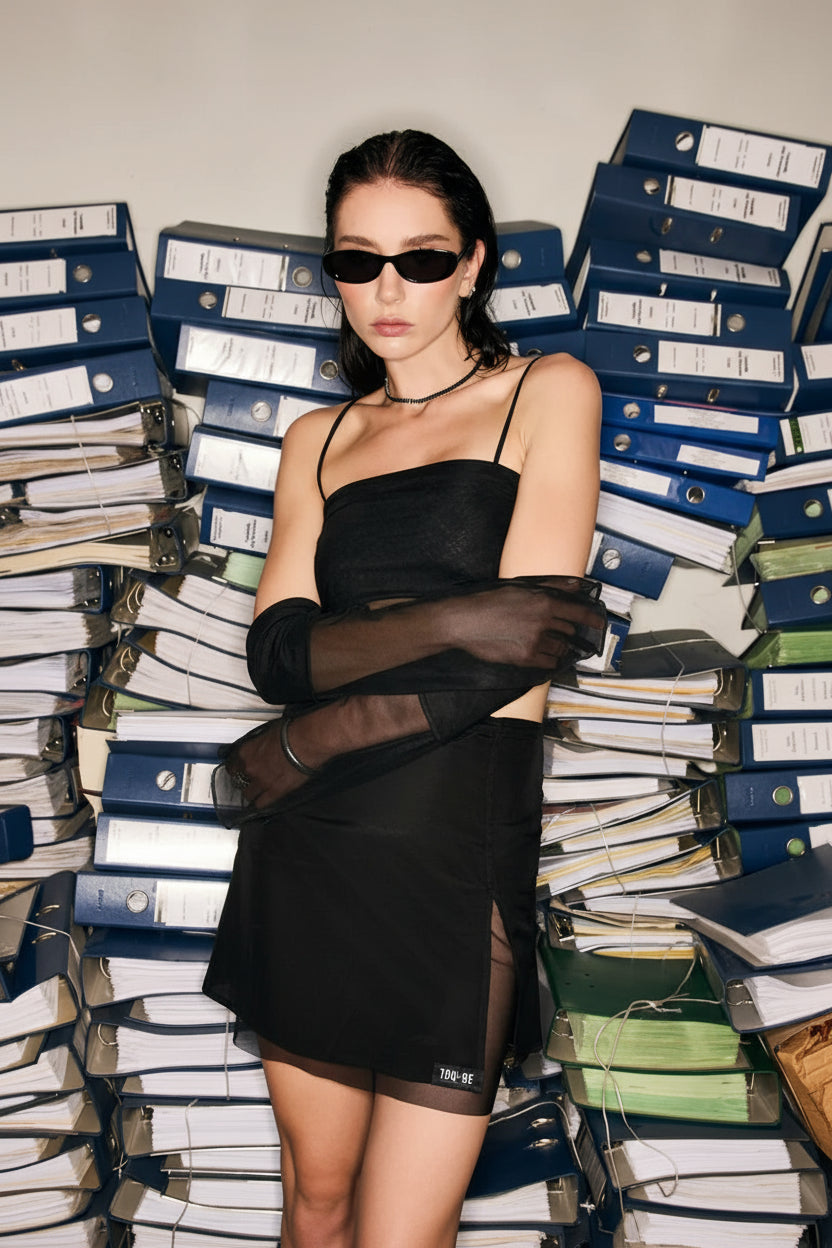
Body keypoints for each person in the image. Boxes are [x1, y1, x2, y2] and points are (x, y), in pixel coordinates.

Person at [203, 129, 605, 1248]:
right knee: (317, 1205)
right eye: (356, 260)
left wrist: (304, 745)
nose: (388, 290)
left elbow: (531, 642)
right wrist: (465, 614)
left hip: (452, 836)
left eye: (421, 260)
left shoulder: (547, 392)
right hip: (315, 852)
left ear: (473, 264)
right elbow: (277, 655)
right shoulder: (317, 439)